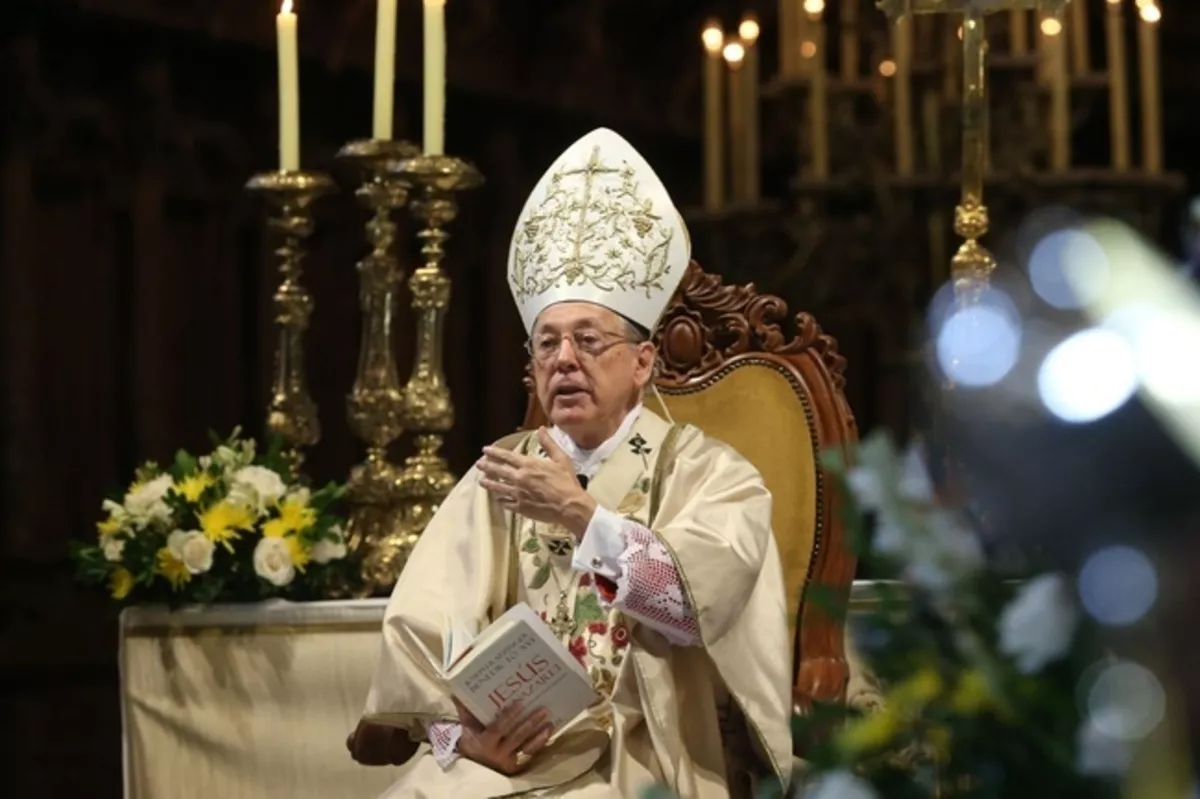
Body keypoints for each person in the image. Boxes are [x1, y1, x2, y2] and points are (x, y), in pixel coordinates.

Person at [347, 128, 794, 798]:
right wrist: (459, 738)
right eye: (546, 344)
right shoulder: (501, 475)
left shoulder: (712, 474)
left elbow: (694, 607)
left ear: (643, 361)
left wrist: (581, 513)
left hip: (642, 751)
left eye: (588, 340)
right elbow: (417, 649)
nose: (563, 360)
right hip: (506, 757)